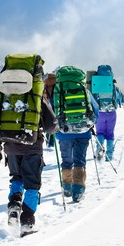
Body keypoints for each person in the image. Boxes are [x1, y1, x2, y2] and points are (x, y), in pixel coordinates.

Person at [0, 76, 58, 235]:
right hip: (32, 148)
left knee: (16, 178)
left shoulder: (7, 96)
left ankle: (14, 207)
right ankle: (27, 222)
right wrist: (54, 130)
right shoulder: (36, 96)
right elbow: (51, 125)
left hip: (11, 147)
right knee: (32, 185)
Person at [55, 71, 100, 203]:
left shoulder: (59, 91)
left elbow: (53, 109)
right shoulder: (84, 90)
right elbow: (95, 109)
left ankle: (67, 187)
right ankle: (78, 191)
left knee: (66, 160)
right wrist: (92, 123)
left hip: (64, 133)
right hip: (83, 131)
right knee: (79, 160)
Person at [95, 78, 124, 161]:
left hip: (100, 113)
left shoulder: (96, 86)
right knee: (110, 134)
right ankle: (109, 156)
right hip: (111, 113)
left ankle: (99, 151)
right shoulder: (113, 88)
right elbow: (121, 100)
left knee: (100, 132)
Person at [43, 73, 57, 148]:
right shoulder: (57, 83)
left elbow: (44, 94)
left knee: (50, 122)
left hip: (49, 105)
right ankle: (52, 142)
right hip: (56, 104)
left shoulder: (46, 82)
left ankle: (50, 142)